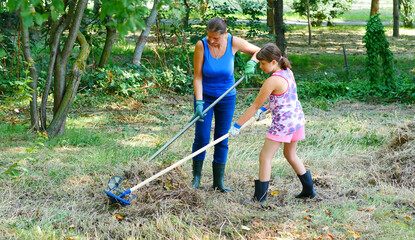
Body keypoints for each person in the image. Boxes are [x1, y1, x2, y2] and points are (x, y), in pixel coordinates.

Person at [229, 43, 316, 202]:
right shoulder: (287, 72)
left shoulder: (272, 81)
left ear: (274, 62)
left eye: (263, 63)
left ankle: (260, 198)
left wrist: (237, 125)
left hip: (284, 124)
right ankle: (309, 190)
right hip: (296, 119)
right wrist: (266, 108)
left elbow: (254, 106)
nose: (260, 66)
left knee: (265, 157)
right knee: (290, 154)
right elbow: (285, 97)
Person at [191, 17, 260, 192]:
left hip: (227, 96)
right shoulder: (201, 45)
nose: (211, 41)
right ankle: (196, 179)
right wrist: (199, 101)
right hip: (204, 97)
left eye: (216, 38)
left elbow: (260, 51)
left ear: (225, 34)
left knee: (222, 137)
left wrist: (253, 61)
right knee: (202, 137)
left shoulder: (233, 42)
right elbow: (197, 76)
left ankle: (218, 182)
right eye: (209, 36)